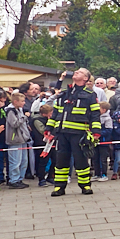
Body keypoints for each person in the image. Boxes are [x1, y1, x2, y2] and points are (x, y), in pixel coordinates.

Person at [45, 68, 101, 197]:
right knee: (61, 161)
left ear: (86, 78)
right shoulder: (64, 94)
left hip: (79, 133)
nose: (76, 72)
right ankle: (59, 187)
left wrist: (96, 131)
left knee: (81, 160)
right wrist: (49, 129)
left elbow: (95, 115)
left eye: (80, 72)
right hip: (62, 133)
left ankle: (85, 185)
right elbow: (55, 113)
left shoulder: (90, 94)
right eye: (76, 71)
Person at [5, 92, 31, 189]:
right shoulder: (11, 111)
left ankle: (20, 178)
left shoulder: (19, 109)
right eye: (22, 101)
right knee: (15, 161)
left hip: (23, 138)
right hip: (14, 139)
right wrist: (25, 117)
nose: (24, 103)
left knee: (24, 161)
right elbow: (14, 124)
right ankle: (13, 180)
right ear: (15, 101)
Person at [31, 104, 53, 187]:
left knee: (54, 160)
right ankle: (41, 179)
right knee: (42, 162)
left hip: (51, 143)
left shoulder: (49, 119)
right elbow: (42, 131)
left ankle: (50, 177)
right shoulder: (37, 120)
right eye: (50, 113)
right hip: (41, 143)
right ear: (45, 114)